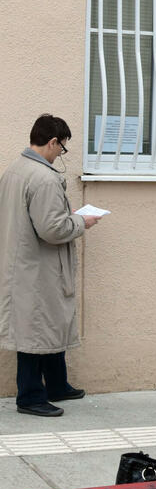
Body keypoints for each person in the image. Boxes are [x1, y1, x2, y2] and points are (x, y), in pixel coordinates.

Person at [0, 114, 101, 418]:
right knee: (36, 329)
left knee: (47, 323)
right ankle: (30, 396)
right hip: (37, 266)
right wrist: (81, 222)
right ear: (53, 141)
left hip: (23, 263)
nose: (61, 154)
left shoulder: (15, 169)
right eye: (62, 147)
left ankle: (57, 385)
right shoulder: (43, 178)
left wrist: (65, 212)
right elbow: (52, 230)